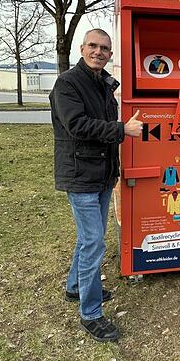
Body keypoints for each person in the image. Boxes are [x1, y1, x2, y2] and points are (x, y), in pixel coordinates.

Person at [50, 28, 142, 342]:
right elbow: (76, 125)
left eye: (104, 48)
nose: (98, 52)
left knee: (91, 238)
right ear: (82, 48)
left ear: (110, 54)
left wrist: (114, 171)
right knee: (93, 242)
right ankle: (91, 314)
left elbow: (102, 132)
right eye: (93, 46)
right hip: (81, 176)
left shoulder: (103, 84)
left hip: (101, 175)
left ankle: (76, 287)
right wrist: (122, 129)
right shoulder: (67, 83)